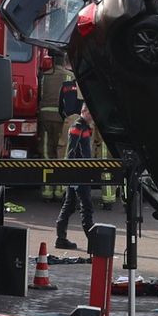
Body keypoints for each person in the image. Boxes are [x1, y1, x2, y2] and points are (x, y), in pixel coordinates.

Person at [53, 104, 96, 250]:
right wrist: (73, 173)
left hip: (78, 173)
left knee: (70, 205)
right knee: (86, 206)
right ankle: (93, 241)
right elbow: (71, 152)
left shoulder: (82, 127)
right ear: (84, 112)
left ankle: (61, 239)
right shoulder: (78, 127)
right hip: (79, 173)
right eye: (91, 113)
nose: (92, 117)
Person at [38, 54, 73, 200]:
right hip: (62, 119)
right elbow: (71, 99)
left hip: (45, 117)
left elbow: (40, 95)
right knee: (61, 153)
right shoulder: (69, 76)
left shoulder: (44, 76)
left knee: (46, 152)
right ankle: (60, 190)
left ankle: (47, 190)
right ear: (64, 61)